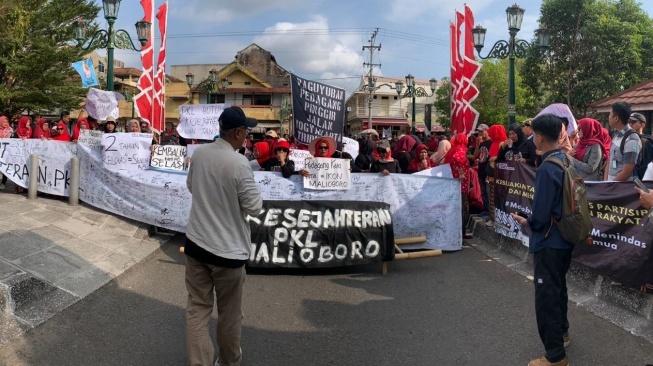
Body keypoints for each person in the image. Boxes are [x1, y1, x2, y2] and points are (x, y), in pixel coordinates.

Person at [184, 106, 262, 366]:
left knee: (197, 310)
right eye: (246, 131)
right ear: (238, 133)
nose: (247, 136)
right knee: (229, 315)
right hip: (228, 252)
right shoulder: (239, 163)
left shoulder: (201, 154)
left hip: (196, 245)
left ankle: (200, 363)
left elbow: (191, 186)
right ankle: (229, 362)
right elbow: (254, 206)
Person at [511, 113, 573, 366]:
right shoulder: (567, 160)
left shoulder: (548, 167)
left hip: (548, 240)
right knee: (559, 288)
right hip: (565, 237)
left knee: (546, 296)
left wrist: (528, 222)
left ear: (538, 136)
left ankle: (555, 356)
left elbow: (541, 213)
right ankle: (563, 333)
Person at [444, 134, 472, 237]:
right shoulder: (461, 150)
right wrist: (461, 172)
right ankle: (461, 234)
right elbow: (458, 158)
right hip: (461, 183)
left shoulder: (453, 149)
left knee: (456, 208)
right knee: (463, 209)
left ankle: (458, 233)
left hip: (454, 182)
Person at [606, 101, 641, 181]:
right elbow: (610, 160)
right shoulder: (616, 135)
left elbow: (626, 172)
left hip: (621, 190)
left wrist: (611, 185)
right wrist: (606, 182)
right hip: (610, 187)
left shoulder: (631, 139)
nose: (609, 117)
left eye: (610, 114)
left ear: (616, 118)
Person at [485, 124, 507, 227]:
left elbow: (503, 158)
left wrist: (495, 157)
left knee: (496, 198)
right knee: (491, 198)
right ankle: (492, 218)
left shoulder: (502, 144)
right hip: (491, 175)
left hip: (498, 176)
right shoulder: (494, 143)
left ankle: (495, 219)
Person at [474, 124, 492, 217]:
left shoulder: (491, 142)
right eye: (479, 131)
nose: (480, 133)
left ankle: (490, 211)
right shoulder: (481, 143)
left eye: (481, 131)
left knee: (489, 192)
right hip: (481, 170)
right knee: (483, 191)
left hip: (488, 171)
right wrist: (477, 144)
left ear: (487, 131)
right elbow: (475, 156)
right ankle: (486, 209)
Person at [628, 112, 653, 179]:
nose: (630, 124)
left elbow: (646, 164)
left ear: (642, 125)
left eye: (633, 122)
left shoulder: (645, 141)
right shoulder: (627, 139)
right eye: (629, 122)